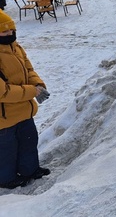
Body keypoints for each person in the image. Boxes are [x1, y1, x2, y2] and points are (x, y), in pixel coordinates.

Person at [0, 11, 50, 190]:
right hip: (3, 117)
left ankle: (30, 170)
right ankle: (6, 179)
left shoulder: (16, 47)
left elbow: (28, 69)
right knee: (7, 150)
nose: (9, 34)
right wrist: (32, 91)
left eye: (11, 30)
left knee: (29, 141)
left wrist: (38, 84)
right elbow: (3, 92)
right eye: (3, 32)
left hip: (24, 111)